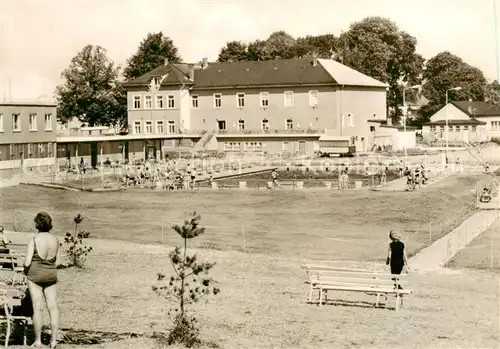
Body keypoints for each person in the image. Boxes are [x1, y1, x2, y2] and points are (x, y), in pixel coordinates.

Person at [23, 212, 60, 348]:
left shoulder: (34, 240)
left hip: (35, 275)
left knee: (38, 306)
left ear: (37, 224)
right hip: (51, 275)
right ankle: (54, 340)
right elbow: (59, 262)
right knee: (53, 306)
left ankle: (38, 340)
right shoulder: (55, 240)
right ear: (50, 224)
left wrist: (25, 272)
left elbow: (27, 262)